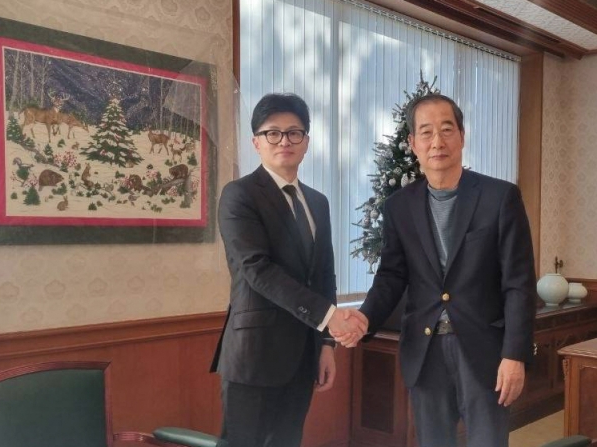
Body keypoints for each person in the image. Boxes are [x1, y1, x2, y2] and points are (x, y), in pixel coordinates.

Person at [334, 94, 537, 447]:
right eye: (426, 132)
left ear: (461, 135)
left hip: (484, 351)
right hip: (425, 352)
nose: (437, 142)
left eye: (447, 129)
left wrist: (514, 354)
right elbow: (392, 275)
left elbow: (518, 284)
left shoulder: (499, 197)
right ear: (413, 143)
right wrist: (365, 317)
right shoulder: (399, 206)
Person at [211, 92, 367, 447]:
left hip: (302, 354)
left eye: (294, 132)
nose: (284, 140)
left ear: (306, 142)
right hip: (254, 353)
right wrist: (329, 317)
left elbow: (324, 275)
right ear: (256, 142)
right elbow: (256, 270)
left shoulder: (318, 202)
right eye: (273, 133)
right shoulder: (239, 195)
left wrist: (326, 343)